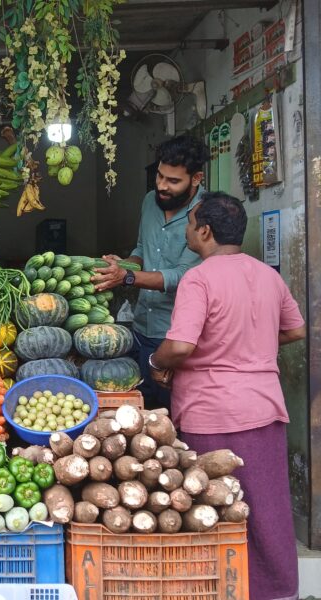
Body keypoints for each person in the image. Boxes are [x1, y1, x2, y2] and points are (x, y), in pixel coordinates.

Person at [149, 192, 305, 600]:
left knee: (210, 513)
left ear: (204, 232)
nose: (186, 229)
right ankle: (277, 591)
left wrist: (155, 360)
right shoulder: (267, 275)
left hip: (211, 412)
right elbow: (295, 329)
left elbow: (180, 346)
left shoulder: (198, 278)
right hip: (265, 409)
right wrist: (250, 347)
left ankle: (217, 591)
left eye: (190, 222)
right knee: (267, 510)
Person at [91, 135, 209, 410]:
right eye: (159, 176)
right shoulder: (149, 202)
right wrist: (123, 265)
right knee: (140, 414)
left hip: (177, 339)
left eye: (173, 181)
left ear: (196, 178)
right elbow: (142, 249)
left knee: (174, 420)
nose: (162, 186)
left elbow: (183, 275)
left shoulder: (205, 214)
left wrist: (127, 277)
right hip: (141, 326)